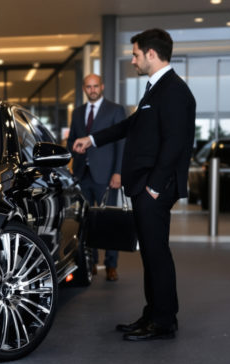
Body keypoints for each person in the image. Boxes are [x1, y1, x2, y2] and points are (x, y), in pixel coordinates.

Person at [73, 28, 196, 341]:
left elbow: (174, 143)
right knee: (151, 254)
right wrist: (92, 139)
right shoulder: (157, 88)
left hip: (154, 189)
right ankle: (153, 314)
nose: (133, 60)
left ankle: (163, 321)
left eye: (136, 54)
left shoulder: (174, 91)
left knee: (157, 254)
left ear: (151, 54)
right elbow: (131, 125)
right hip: (146, 186)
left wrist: (154, 187)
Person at [68, 74, 126, 282]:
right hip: (82, 175)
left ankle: (111, 265)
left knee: (109, 221)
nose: (92, 90)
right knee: (86, 222)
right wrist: (73, 149)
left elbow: (121, 143)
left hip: (107, 175)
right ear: (84, 88)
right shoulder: (77, 112)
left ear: (102, 87)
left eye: (95, 86)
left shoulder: (115, 110)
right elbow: (72, 140)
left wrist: (118, 172)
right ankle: (91, 262)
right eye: (88, 87)